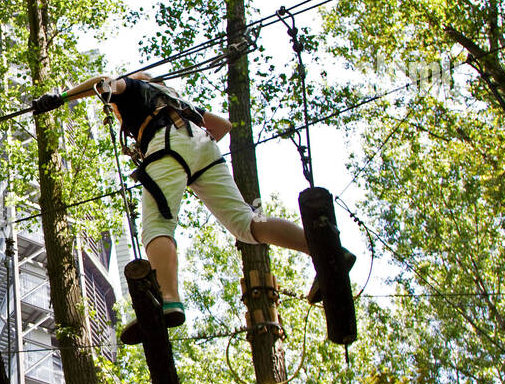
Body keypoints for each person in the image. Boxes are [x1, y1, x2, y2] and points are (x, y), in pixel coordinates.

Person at [34, 73, 351, 345]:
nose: (116, 114)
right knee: (246, 224)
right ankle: (321, 250)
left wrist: (60, 97)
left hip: (167, 145)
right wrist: (188, 163)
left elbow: (103, 83)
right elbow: (222, 126)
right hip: (203, 147)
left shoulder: (132, 89)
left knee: (156, 226)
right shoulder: (174, 100)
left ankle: (169, 300)